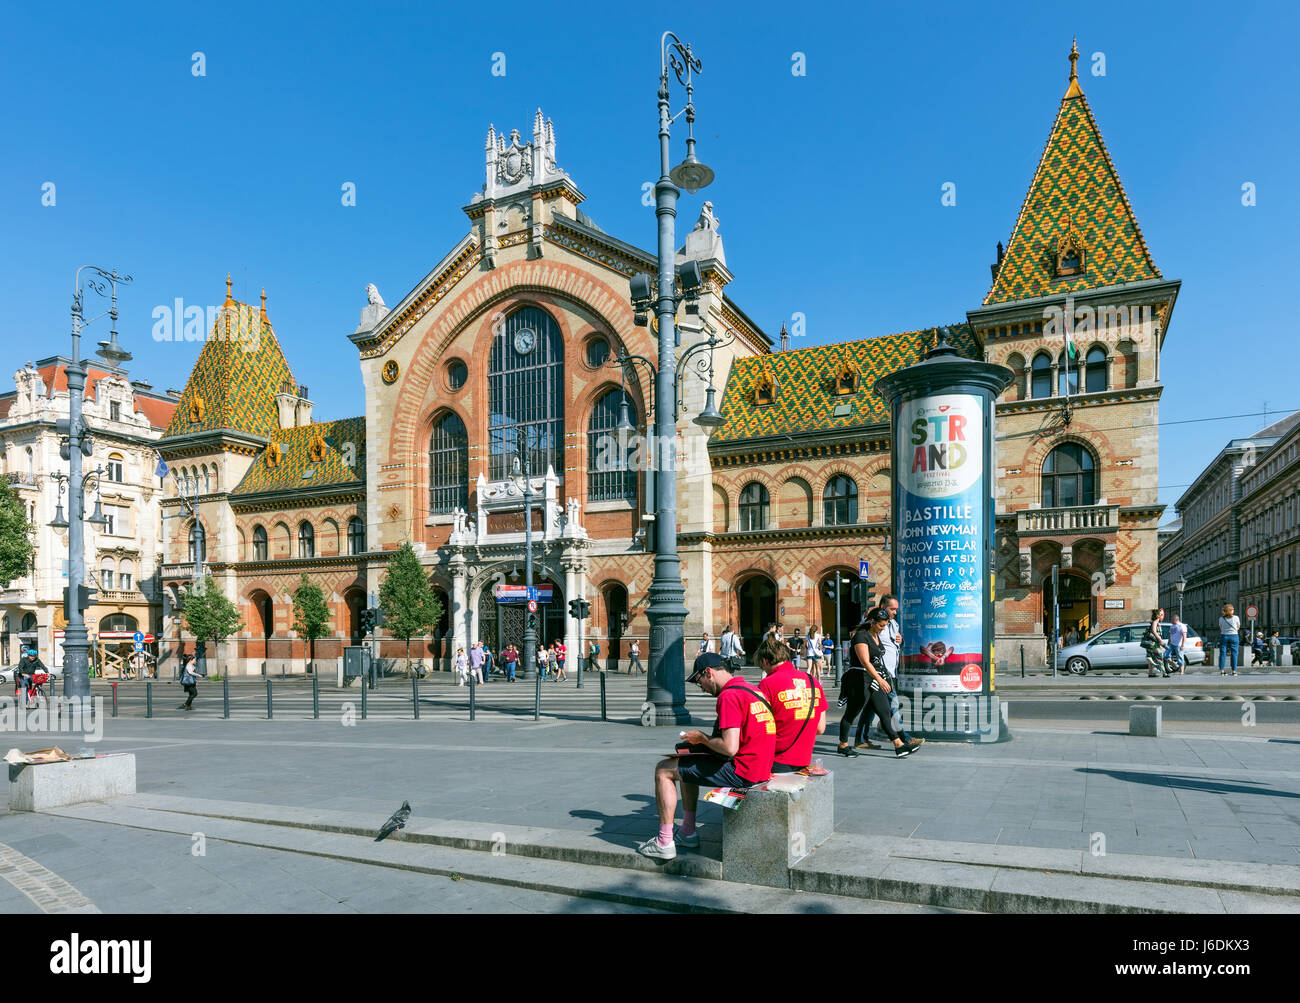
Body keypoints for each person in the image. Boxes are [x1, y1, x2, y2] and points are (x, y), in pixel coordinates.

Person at [637, 653, 776, 860]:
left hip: (743, 772)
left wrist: (702, 738)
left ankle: (664, 842)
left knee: (664, 769)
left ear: (708, 673)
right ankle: (687, 832)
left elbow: (730, 748)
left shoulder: (729, 696)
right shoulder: (753, 690)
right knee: (684, 763)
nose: (700, 687)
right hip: (761, 767)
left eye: (698, 681)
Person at [840, 608, 918, 758]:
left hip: (874, 679)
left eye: (885, 625)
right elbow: (865, 662)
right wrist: (880, 680)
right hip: (860, 679)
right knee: (852, 713)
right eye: (881, 625)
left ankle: (899, 745)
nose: (883, 628)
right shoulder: (861, 637)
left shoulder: (875, 635)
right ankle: (843, 745)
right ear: (872, 622)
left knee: (885, 711)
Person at [856, 594, 923, 750]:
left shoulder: (893, 625)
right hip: (881, 673)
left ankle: (860, 739)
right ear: (882, 608)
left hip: (891, 672)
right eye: (892, 609)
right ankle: (904, 739)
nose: (895, 612)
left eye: (896, 609)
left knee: (870, 709)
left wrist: (901, 641)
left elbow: (893, 646)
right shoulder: (874, 624)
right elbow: (863, 636)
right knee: (893, 706)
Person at [755, 637, 827, 773]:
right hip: (803, 760)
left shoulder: (767, 684)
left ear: (765, 661)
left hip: (774, 760)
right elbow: (820, 728)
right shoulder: (813, 681)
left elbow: (760, 729)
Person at [1141, 609, 1166, 677]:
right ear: (1158, 616)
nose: (1162, 616)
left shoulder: (1155, 622)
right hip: (1153, 643)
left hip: (1151, 643)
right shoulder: (1155, 622)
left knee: (1151, 658)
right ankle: (1164, 673)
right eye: (1161, 615)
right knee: (1160, 657)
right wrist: (1160, 640)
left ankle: (1150, 673)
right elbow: (1154, 631)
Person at [1218, 604, 1240, 676]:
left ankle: (1222, 671)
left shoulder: (1221, 619)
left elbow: (1221, 628)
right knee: (1234, 653)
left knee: (1222, 653)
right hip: (1234, 636)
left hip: (1224, 635)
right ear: (1230, 611)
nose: (1233, 610)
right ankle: (1234, 671)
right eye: (1232, 609)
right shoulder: (1236, 618)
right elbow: (1238, 627)